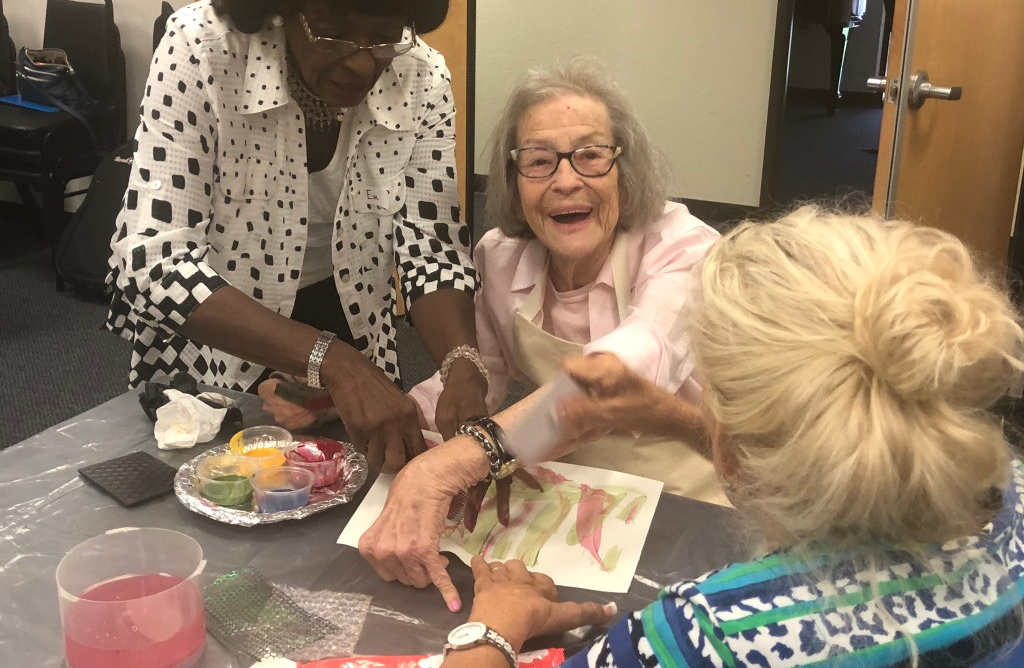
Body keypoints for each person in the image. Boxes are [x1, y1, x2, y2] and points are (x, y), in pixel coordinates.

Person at [367, 207, 1024, 667]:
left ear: (730, 452)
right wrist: (678, 418)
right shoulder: (1008, 498)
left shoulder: (702, 635)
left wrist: (494, 626)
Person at [106, 0, 487, 473]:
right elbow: (151, 262)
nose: (363, 65)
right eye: (333, 33)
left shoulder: (420, 73)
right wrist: (334, 362)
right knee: (225, 486)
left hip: (349, 307)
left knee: (353, 491)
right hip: (218, 323)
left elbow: (430, 247)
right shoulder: (202, 50)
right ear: (282, 5)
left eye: (385, 36)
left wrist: (461, 362)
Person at [407, 56, 723, 501]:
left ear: (625, 172)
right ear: (514, 180)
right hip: (575, 493)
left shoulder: (685, 248)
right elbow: (482, 373)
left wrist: (477, 453)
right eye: (539, 161)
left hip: (688, 500)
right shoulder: (499, 257)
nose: (566, 181)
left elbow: (620, 372)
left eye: (591, 156)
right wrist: (405, 412)